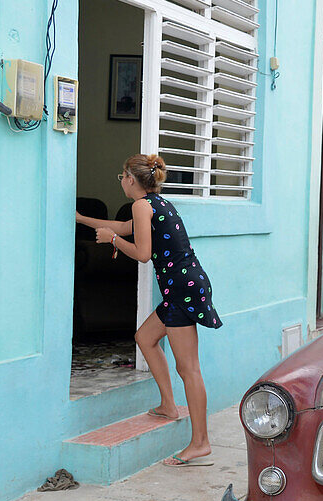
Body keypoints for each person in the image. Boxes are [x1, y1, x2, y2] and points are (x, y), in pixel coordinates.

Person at [75, 155, 222, 467]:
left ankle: (200, 442)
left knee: (189, 368)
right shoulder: (155, 204)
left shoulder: (142, 205)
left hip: (181, 290)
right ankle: (168, 405)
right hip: (182, 286)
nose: (121, 181)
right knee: (144, 338)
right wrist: (81, 219)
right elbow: (125, 227)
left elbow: (141, 253)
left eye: (122, 176)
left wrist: (112, 240)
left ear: (131, 179)